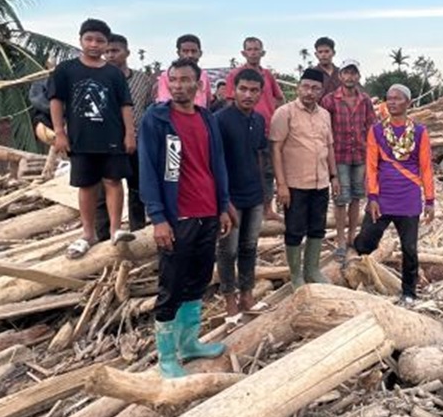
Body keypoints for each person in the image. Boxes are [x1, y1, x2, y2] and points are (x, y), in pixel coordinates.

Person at [139, 58, 233, 378]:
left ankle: (189, 343)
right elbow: (149, 169)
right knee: (172, 284)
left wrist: (222, 205)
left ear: (198, 84)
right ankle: (166, 355)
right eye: (173, 80)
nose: (179, 85)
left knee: (199, 278)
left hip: (207, 212)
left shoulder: (207, 119)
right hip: (178, 216)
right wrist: (157, 217)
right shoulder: (158, 119)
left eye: (185, 80)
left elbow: (216, 163)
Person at [50, 18, 136, 258]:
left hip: (112, 137)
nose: (94, 44)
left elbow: (125, 105)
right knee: (86, 186)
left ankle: (116, 228)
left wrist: (129, 134)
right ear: (80, 40)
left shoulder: (113, 74)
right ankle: (88, 233)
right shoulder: (66, 70)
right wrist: (59, 133)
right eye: (89, 39)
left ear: (106, 43)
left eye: (100, 40)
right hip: (81, 138)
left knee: (113, 182)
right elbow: (56, 101)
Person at [353, 84, 435, 305]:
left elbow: (426, 167)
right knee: (365, 243)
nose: (392, 102)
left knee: (409, 248)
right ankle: (358, 265)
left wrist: (429, 200)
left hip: (408, 197)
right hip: (382, 197)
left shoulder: (419, 132)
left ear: (408, 103)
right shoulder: (377, 131)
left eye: (397, 99)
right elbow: (371, 165)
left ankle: (409, 291)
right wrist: (372, 196)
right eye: (389, 99)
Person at [269, 67, 339, 288]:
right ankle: (295, 274)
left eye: (315, 88)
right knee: (295, 229)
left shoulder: (325, 115)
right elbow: (276, 150)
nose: (310, 92)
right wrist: (281, 185)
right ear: (299, 88)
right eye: (306, 87)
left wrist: (334, 176)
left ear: (321, 91)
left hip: (320, 183)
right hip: (295, 184)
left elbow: (329, 147)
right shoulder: (284, 113)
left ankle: (312, 269)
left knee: (317, 228)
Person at [91, 33, 156, 242]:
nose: (110, 55)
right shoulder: (97, 79)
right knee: (104, 191)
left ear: (126, 52)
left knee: (137, 189)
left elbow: (148, 109)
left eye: (115, 51)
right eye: (107, 51)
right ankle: (104, 236)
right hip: (106, 145)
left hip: (136, 143)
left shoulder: (142, 80)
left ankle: (136, 233)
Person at [216, 69, 267, 318]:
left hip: (254, 195)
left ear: (260, 93)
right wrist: (223, 202)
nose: (248, 94)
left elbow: (259, 156)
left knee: (250, 246)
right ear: (233, 90)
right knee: (228, 251)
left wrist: (265, 194)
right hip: (230, 199)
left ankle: (247, 295)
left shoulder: (258, 121)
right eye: (243, 89)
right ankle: (230, 302)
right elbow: (214, 164)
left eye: (254, 90)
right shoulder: (220, 120)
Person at [320, 59, 376, 264]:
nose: (350, 77)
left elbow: (371, 128)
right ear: (340, 76)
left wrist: (374, 157)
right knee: (340, 199)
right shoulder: (329, 100)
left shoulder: (365, 101)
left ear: (358, 76)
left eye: (354, 73)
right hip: (339, 155)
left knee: (356, 197)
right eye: (346, 73)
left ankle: (353, 235)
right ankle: (341, 241)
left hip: (360, 155)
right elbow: (323, 129)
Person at [223, 37, 285, 221]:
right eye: (249, 49)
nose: (253, 52)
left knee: (267, 170)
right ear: (243, 52)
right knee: (242, 168)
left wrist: (276, 115)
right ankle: (236, 207)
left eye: (256, 49)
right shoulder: (235, 75)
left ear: (262, 52)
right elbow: (228, 101)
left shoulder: (267, 75)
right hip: (243, 129)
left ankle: (267, 208)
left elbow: (279, 97)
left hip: (266, 128)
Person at [155, 34, 211, 107]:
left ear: (200, 53)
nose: (190, 55)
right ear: (178, 53)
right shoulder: (167, 75)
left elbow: (207, 102)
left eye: (193, 51)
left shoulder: (204, 75)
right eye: (185, 51)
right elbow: (165, 104)